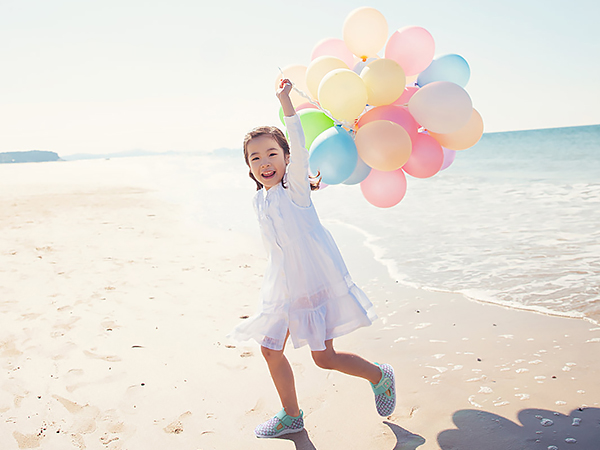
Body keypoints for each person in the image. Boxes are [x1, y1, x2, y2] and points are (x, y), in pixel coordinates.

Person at [229, 79, 396, 439]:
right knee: (270, 349)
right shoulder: (258, 201)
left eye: (272, 153)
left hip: (312, 282)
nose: (264, 162)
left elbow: (299, 140)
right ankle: (293, 416)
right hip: (281, 287)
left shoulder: (296, 190)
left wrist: (285, 101)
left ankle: (379, 376)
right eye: (255, 158)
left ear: (287, 158)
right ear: (249, 168)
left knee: (324, 359)